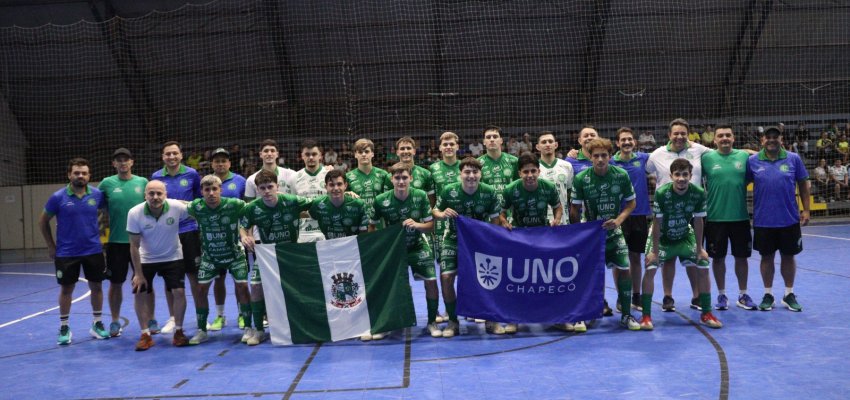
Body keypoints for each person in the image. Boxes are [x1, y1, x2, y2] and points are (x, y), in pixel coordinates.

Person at [569, 138, 640, 332]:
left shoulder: (621, 175)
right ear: (590, 157)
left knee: (624, 269)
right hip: (591, 235)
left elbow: (631, 203)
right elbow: (574, 209)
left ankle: (626, 314)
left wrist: (618, 220)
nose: (600, 159)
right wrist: (580, 232)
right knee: (587, 273)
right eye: (596, 156)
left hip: (614, 232)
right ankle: (583, 315)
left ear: (610, 156)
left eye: (604, 155)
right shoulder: (581, 178)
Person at [643, 159, 722, 330]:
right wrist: (654, 252)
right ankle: (646, 317)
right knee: (650, 267)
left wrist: (700, 248)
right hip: (663, 237)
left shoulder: (699, 192)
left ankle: (706, 313)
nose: (681, 178)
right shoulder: (662, 193)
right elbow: (656, 223)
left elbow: (699, 220)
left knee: (703, 263)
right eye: (677, 174)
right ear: (671, 176)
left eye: (685, 174)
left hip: (684, 234)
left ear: (690, 176)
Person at [39, 158, 110, 344]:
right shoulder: (58, 197)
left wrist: (105, 237)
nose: (80, 176)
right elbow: (43, 221)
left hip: (93, 250)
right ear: (69, 174)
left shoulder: (97, 195)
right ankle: (64, 327)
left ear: (89, 176)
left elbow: (109, 212)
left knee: (96, 287)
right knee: (66, 289)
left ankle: (97, 323)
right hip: (66, 252)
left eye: (84, 173)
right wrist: (50, 246)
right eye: (76, 173)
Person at [239, 170, 313, 345]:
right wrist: (244, 236)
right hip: (266, 254)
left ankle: (304, 326)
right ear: (257, 190)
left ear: (277, 187)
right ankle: (258, 330)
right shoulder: (252, 208)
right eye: (262, 188)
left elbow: (318, 203)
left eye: (270, 187)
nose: (267, 191)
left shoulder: (292, 201)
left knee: (299, 288)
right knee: (256, 286)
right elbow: (243, 225)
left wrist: (347, 193)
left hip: (291, 253)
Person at [646, 118, 710, 312]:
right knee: (669, 258)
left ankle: (697, 296)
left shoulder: (700, 150)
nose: (680, 136)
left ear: (688, 134)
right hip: (666, 214)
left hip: (692, 211)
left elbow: (723, 154)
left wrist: (751, 153)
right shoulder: (657, 154)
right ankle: (668, 297)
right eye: (676, 133)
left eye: (683, 133)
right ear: (669, 135)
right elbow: (648, 171)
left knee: (693, 256)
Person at [433, 157, 502, 335]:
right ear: (460, 174)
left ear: (480, 174)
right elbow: (434, 211)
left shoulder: (489, 192)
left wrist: (491, 244)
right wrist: (442, 214)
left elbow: (495, 222)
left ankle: (491, 320)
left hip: (479, 242)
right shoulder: (449, 191)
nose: (471, 175)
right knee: (446, 278)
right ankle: (453, 322)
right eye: (467, 172)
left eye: (475, 172)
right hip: (453, 239)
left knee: (488, 280)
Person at [370, 163, 439, 339]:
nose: (401, 181)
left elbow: (431, 226)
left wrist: (416, 225)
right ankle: (386, 324)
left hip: (417, 245)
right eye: (397, 178)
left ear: (411, 178)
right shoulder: (381, 200)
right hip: (393, 250)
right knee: (387, 285)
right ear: (391, 179)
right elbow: (371, 227)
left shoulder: (420, 195)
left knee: (431, 281)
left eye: (404, 177)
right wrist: (379, 246)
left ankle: (432, 321)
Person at [746, 127, 810, 312]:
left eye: (776, 137)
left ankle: (789, 294)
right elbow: (740, 183)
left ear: (781, 139)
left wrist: (806, 210)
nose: (772, 140)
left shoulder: (793, 159)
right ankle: (768, 294)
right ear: (762, 140)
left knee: (788, 256)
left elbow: (803, 185)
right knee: (766, 257)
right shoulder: (753, 161)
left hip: (789, 219)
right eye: (768, 137)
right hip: (763, 220)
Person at [127, 180, 192, 350]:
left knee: (178, 291)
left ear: (165, 195)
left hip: (173, 257)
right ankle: (145, 334)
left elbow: (198, 208)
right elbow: (133, 245)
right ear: (145, 195)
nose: (155, 197)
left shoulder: (176, 207)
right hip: (146, 258)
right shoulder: (135, 213)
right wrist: (138, 274)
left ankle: (178, 332)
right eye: (151, 193)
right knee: (139, 291)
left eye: (159, 193)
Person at [186, 175, 251, 345]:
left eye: (215, 189)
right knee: (200, 290)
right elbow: (176, 205)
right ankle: (202, 330)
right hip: (210, 256)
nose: (211, 193)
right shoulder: (197, 207)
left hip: (234, 254)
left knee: (243, 286)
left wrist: (245, 234)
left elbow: (250, 213)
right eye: (207, 190)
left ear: (221, 190)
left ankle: (249, 327)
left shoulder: (234, 204)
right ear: (202, 192)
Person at [700, 125, 757, 311]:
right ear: (714, 140)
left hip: (740, 218)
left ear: (733, 138)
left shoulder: (744, 156)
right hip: (715, 218)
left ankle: (742, 294)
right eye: (720, 136)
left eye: (728, 135)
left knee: (742, 258)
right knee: (718, 259)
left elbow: (760, 161)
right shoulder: (706, 158)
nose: (724, 138)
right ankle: (722, 294)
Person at [151, 141, 202, 334]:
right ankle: (173, 318)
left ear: (181, 155)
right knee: (170, 278)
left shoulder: (192, 174)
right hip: (167, 232)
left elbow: (199, 201)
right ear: (163, 157)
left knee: (194, 276)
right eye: (167, 154)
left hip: (189, 231)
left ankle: (200, 315)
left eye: (174, 153)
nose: (171, 157)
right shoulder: (156, 177)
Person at [98, 148, 148, 337]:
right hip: (116, 243)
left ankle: (148, 319)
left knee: (143, 282)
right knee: (115, 283)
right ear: (114, 164)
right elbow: (99, 208)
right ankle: (114, 321)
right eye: (118, 160)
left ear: (132, 162)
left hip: (141, 242)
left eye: (126, 160)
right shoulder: (106, 184)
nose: (122, 163)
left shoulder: (142, 182)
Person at [207, 147, 247, 331]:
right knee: (218, 279)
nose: (220, 164)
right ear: (212, 164)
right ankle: (220, 316)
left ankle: (241, 314)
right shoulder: (207, 183)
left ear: (229, 163)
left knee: (240, 280)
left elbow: (246, 209)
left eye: (224, 160)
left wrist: (244, 232)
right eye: (217, 161)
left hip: (236, 239)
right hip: (215, 240)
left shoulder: (240, 181)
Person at [611, 128, 651, 312]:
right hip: (619, 217)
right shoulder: (611, 162)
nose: (626, 142)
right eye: (623, 140)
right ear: (617, 143)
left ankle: (636, 295)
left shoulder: (643, 159)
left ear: (634, 142)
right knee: (619, 259)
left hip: (639, 214)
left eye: (629, 139)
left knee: (636, 257)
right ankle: (621, 297)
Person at [428, 132, 462, 323]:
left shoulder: (466, 166)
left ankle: (472, 307)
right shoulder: (432, 169)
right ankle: (449, 311)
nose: (448, 147)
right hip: (442, 228)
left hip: (465, 226)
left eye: (452, 144)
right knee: (446, 271)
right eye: (445, 144)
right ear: (440, 148)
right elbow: (432, 203)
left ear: (458, 146)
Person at [309, 169, 369, 240]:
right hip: (329, 246)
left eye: (339, 184)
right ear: (326, 187)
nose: (336, 188)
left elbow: (364, 234)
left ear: (345, 185)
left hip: (352, 247)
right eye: (331, 185)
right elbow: (307, 214)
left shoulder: (358, 204)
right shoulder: (318, 203)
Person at [346, 138, 392, 219]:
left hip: (379, 222)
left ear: (372, 154)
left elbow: (389, 198)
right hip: (358, 221)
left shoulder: (383, 174)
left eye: (367, 151)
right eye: (360, 152)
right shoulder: (348, 176)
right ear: (355, 155)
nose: (363, 154)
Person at [478, 125, 518, 216]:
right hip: (488, 213)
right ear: (484, 142)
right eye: (488, 137)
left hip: (510, 213)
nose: (492, 139)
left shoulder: (514, 161)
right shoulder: (478, 164)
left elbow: (519, 186)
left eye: (495, 137)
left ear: (501, 140)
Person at [294, 139, 329, 243]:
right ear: (302, 156)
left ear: (320, 156)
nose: (311, 157)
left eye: (314, 154)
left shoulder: (330, 175)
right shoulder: (294, 178)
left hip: (326, 231)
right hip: (303, 233)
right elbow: (291, 206)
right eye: (307, 154)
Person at [536, 131, 573, 226]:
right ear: (537, 147)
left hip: (563, 220)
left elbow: (569, 194)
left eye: (550, 141)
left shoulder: (567, 166)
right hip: (541, 221)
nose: (547, 144)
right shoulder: (533, 169)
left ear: (556, 145)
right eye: (544, 142)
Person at [395, 136, 435, 202]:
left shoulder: (426, 174)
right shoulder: (390, 176)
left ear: (414, 151)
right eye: (402, 149)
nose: (405, 151)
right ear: (397, 152)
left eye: (408, 148)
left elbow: (431, 201)